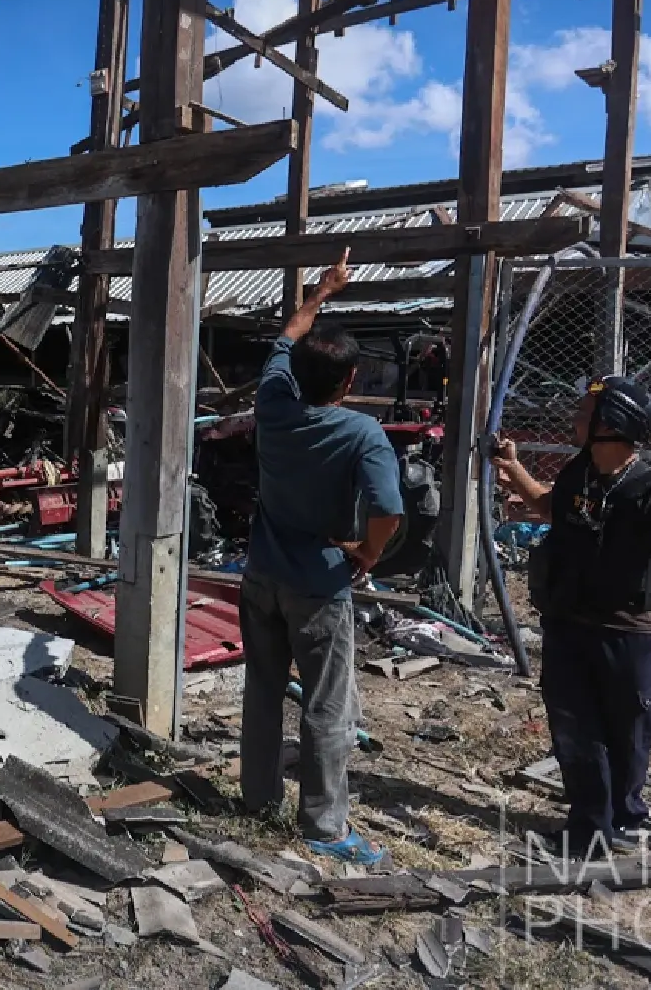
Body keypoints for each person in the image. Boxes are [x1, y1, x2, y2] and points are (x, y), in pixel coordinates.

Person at [493, 376, 651, 854]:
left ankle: (625, 820)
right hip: (568, 625)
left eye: (585, 414)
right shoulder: (580, 472)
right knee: (575, 729)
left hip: (628, 635)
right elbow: (549, 506)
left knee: (629, 731)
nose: (575, 419)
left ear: (612, 424)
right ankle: (589, 828)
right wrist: (513, 468)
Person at [240, 249, 403, 866]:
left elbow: (288, 334)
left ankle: (258, 800)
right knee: (327, 703)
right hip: (318, 586)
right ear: (350, 381)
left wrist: (322, 291)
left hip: (261, 575)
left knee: (262, 691)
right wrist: (368, 552)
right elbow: (388, 510)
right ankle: (324, 827)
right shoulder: (361, 434)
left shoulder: (272, 401)